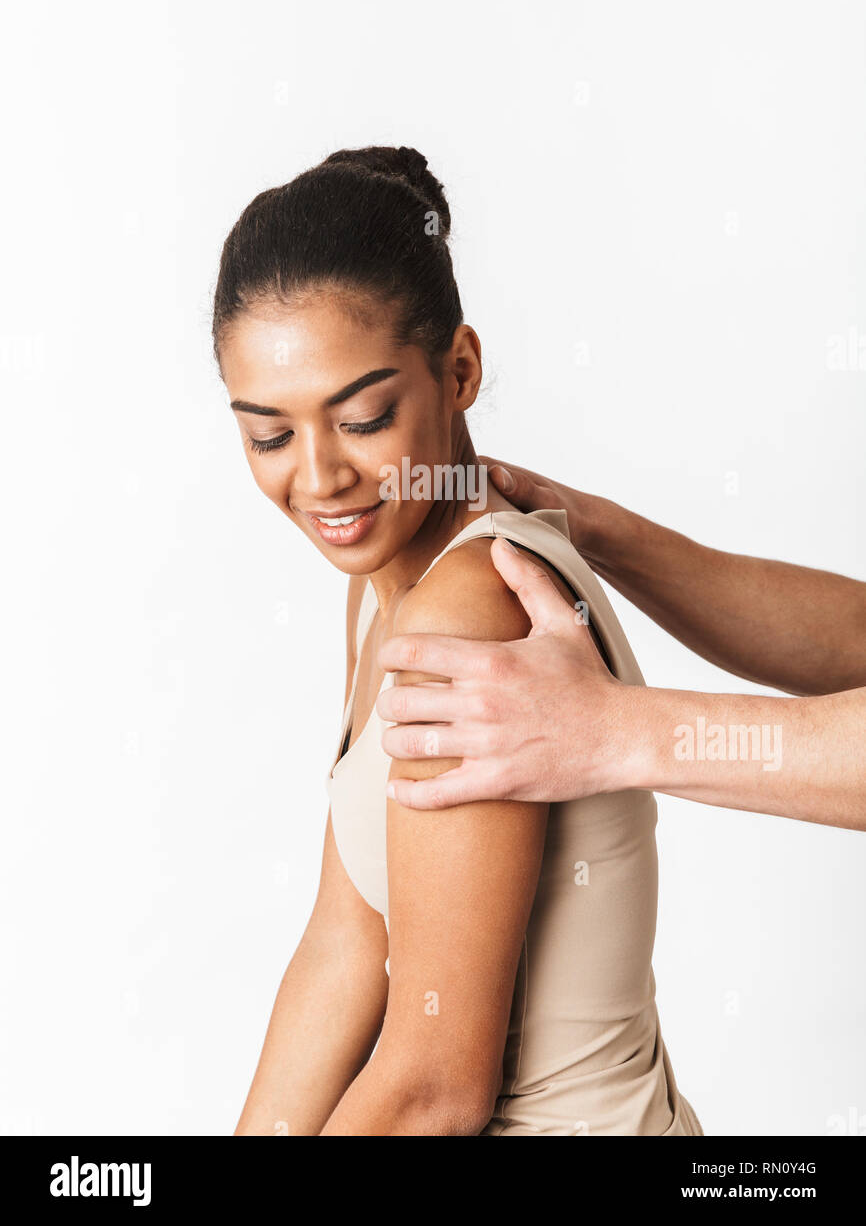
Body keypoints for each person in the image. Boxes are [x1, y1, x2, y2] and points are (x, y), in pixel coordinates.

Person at [217, 145, 701, 1136]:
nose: (318, 477)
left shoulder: (468, 611)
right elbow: (344, 948)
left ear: (460, 371)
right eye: (269, 435)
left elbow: (435, 1089)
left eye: (361, 418)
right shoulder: (387, 582)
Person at [378, 461, 866, 830]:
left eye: (368, 418)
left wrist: (613, 731)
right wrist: (587, 525)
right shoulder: (393, 575)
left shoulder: (461, 602)